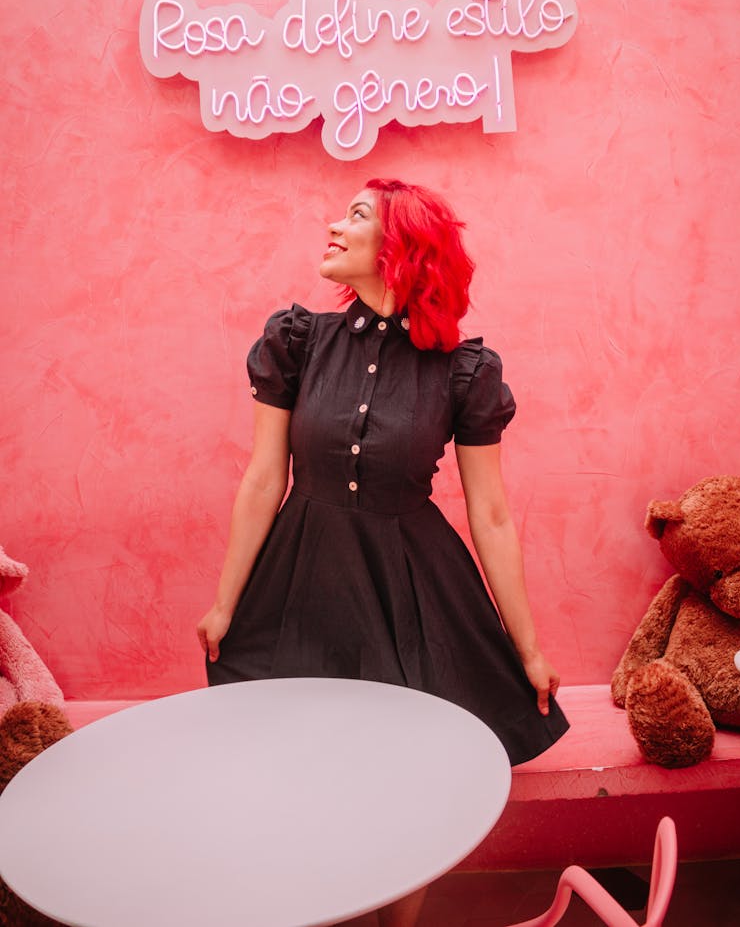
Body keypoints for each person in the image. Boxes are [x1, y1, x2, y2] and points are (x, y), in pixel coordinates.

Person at [197, 177, 569, 927]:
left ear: (401, 250)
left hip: (411, 589)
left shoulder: (464, 372)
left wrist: (528, 646)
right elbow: (265, 477)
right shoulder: (298, 341)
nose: (333, 225)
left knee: (407, 778)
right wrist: (225, 601)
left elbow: (490, 513)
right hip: (303, 578)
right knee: (303, 767)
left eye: (357, 216)